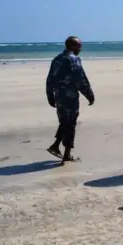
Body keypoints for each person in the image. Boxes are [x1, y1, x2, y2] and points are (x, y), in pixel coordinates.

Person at [46, 36, 95, 164]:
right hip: (70, 97)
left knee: (64, 122)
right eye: (79, 46)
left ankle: (56, 146)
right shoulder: (74, 59)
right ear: (73, 46)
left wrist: (50, 95)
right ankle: (66, 154)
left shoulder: (57, 59)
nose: (81, 49)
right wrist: (89, 94)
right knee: (71, 123)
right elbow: (80, 80)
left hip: (59, 96)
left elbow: (50, 78)